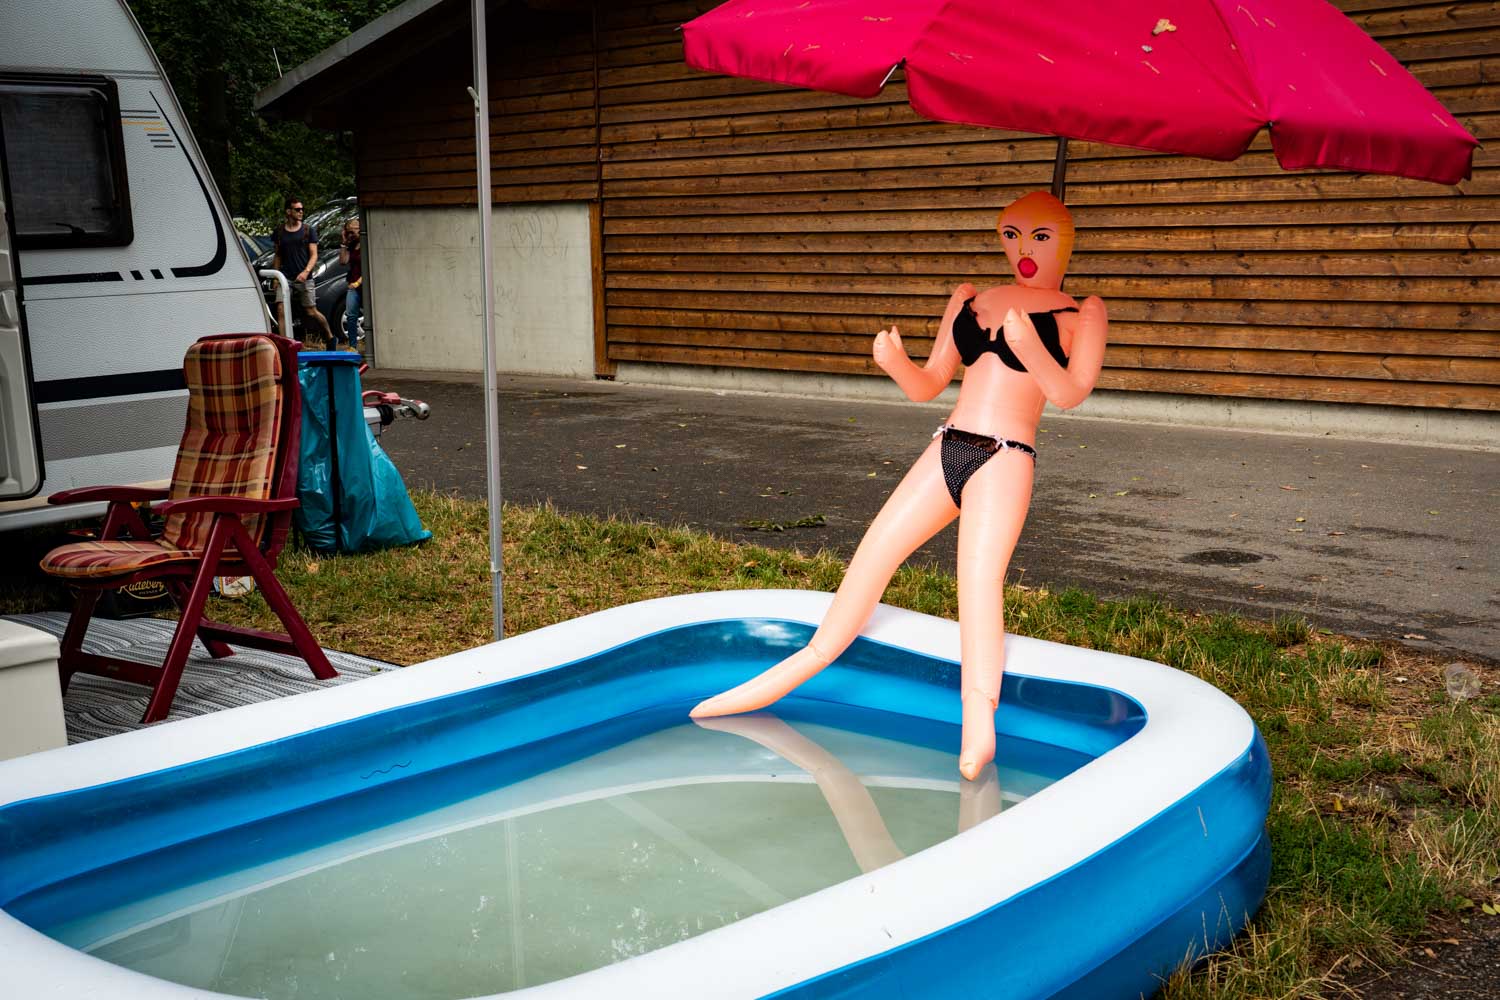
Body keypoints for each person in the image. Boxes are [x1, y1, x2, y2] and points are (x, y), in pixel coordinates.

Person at [691, 191, 1109, 781]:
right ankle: (794, 669)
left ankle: (978, 721)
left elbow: (1069, 393)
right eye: (1012, 234)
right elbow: (930, 383)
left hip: (1006, 457)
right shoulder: (972, 299)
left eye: (1040, 236)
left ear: (1065, 241)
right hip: (948, 443)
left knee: (977, 583)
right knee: (875, 552)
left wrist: (1031, 350)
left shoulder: (1082, 313)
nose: (1024, 249)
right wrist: (896, 363)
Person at [271, 196, 334, 349]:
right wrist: (275, 276)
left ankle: (330, 337)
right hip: (286, 277)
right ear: (288, 211)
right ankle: (286, 346)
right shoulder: (280, 232)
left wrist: (306, 272)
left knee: (311, 311)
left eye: (302, 209)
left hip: (305, 278)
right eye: (297, 209)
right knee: (280, 309)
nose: (301, 212)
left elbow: (314, 255)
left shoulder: (308, 230)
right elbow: (278, 255)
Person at [338, 217, 364, 352]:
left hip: (364, 284)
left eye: (352, 230)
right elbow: (343, 261)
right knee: (351, 316)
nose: (350, 234)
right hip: (352, 285)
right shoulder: (352, 245)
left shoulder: (366, 243)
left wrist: (359, 282)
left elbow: (369, 266)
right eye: (348, 231)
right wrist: (344, 243)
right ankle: (353, 346)